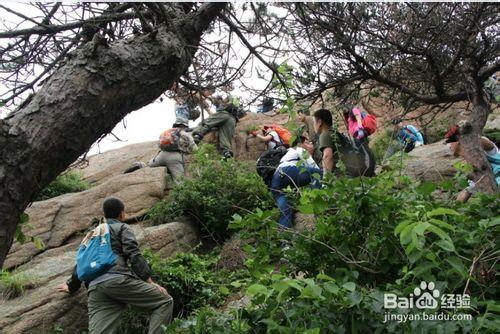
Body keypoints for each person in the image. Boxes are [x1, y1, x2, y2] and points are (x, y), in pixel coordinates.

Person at [56, 197, 173, 334]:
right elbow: (133, 253)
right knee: (164, 301)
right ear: (122, 214)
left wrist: (71, 286)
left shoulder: (92, 234)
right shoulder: (122, 227)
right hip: (116, 281)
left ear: (104, 215)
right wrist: (149, 281)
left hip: (95, 289)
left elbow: (82, 262)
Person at [123, 115, 197, 183]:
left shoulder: (168, 132)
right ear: (184, 125)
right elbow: (194, 149)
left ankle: (141, 165)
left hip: (161, 155)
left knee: (149, 166)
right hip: (175, 157)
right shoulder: (185, 134)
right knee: (180, 181)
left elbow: (160, 144)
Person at [270, 137, 322, 228]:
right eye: (307, 143)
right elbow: (316, 171)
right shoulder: (300, 150)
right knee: (318, 173)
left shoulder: (287, 154)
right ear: (300, 144)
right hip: (288, 171)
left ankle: (285, 238)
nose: (311, 145)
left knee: (285, 211)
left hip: (276, 180)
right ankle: (317, 202)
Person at [444, 125, 500, 202]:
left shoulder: (486, 151)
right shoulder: (471, 166)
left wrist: (463, 136)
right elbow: (468, 190)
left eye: (449, 142)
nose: (448, 146)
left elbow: (485, 143)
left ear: (458, 142)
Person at [313, 108, 375, 176]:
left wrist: (326, 179)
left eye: (314, 122)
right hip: (353, 171)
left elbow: (327, 156)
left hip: (343, 175)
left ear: (319, 122)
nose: (314, 126)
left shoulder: (325, 135)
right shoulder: (335, 133)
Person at [192, 94, 245, 159]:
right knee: (225, 136)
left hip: (224, 114)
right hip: (232, 119)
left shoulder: (225, 101)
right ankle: (226, 152)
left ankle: (197, 135)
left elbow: (210, 120)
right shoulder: (235, 102)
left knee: (207, 122)